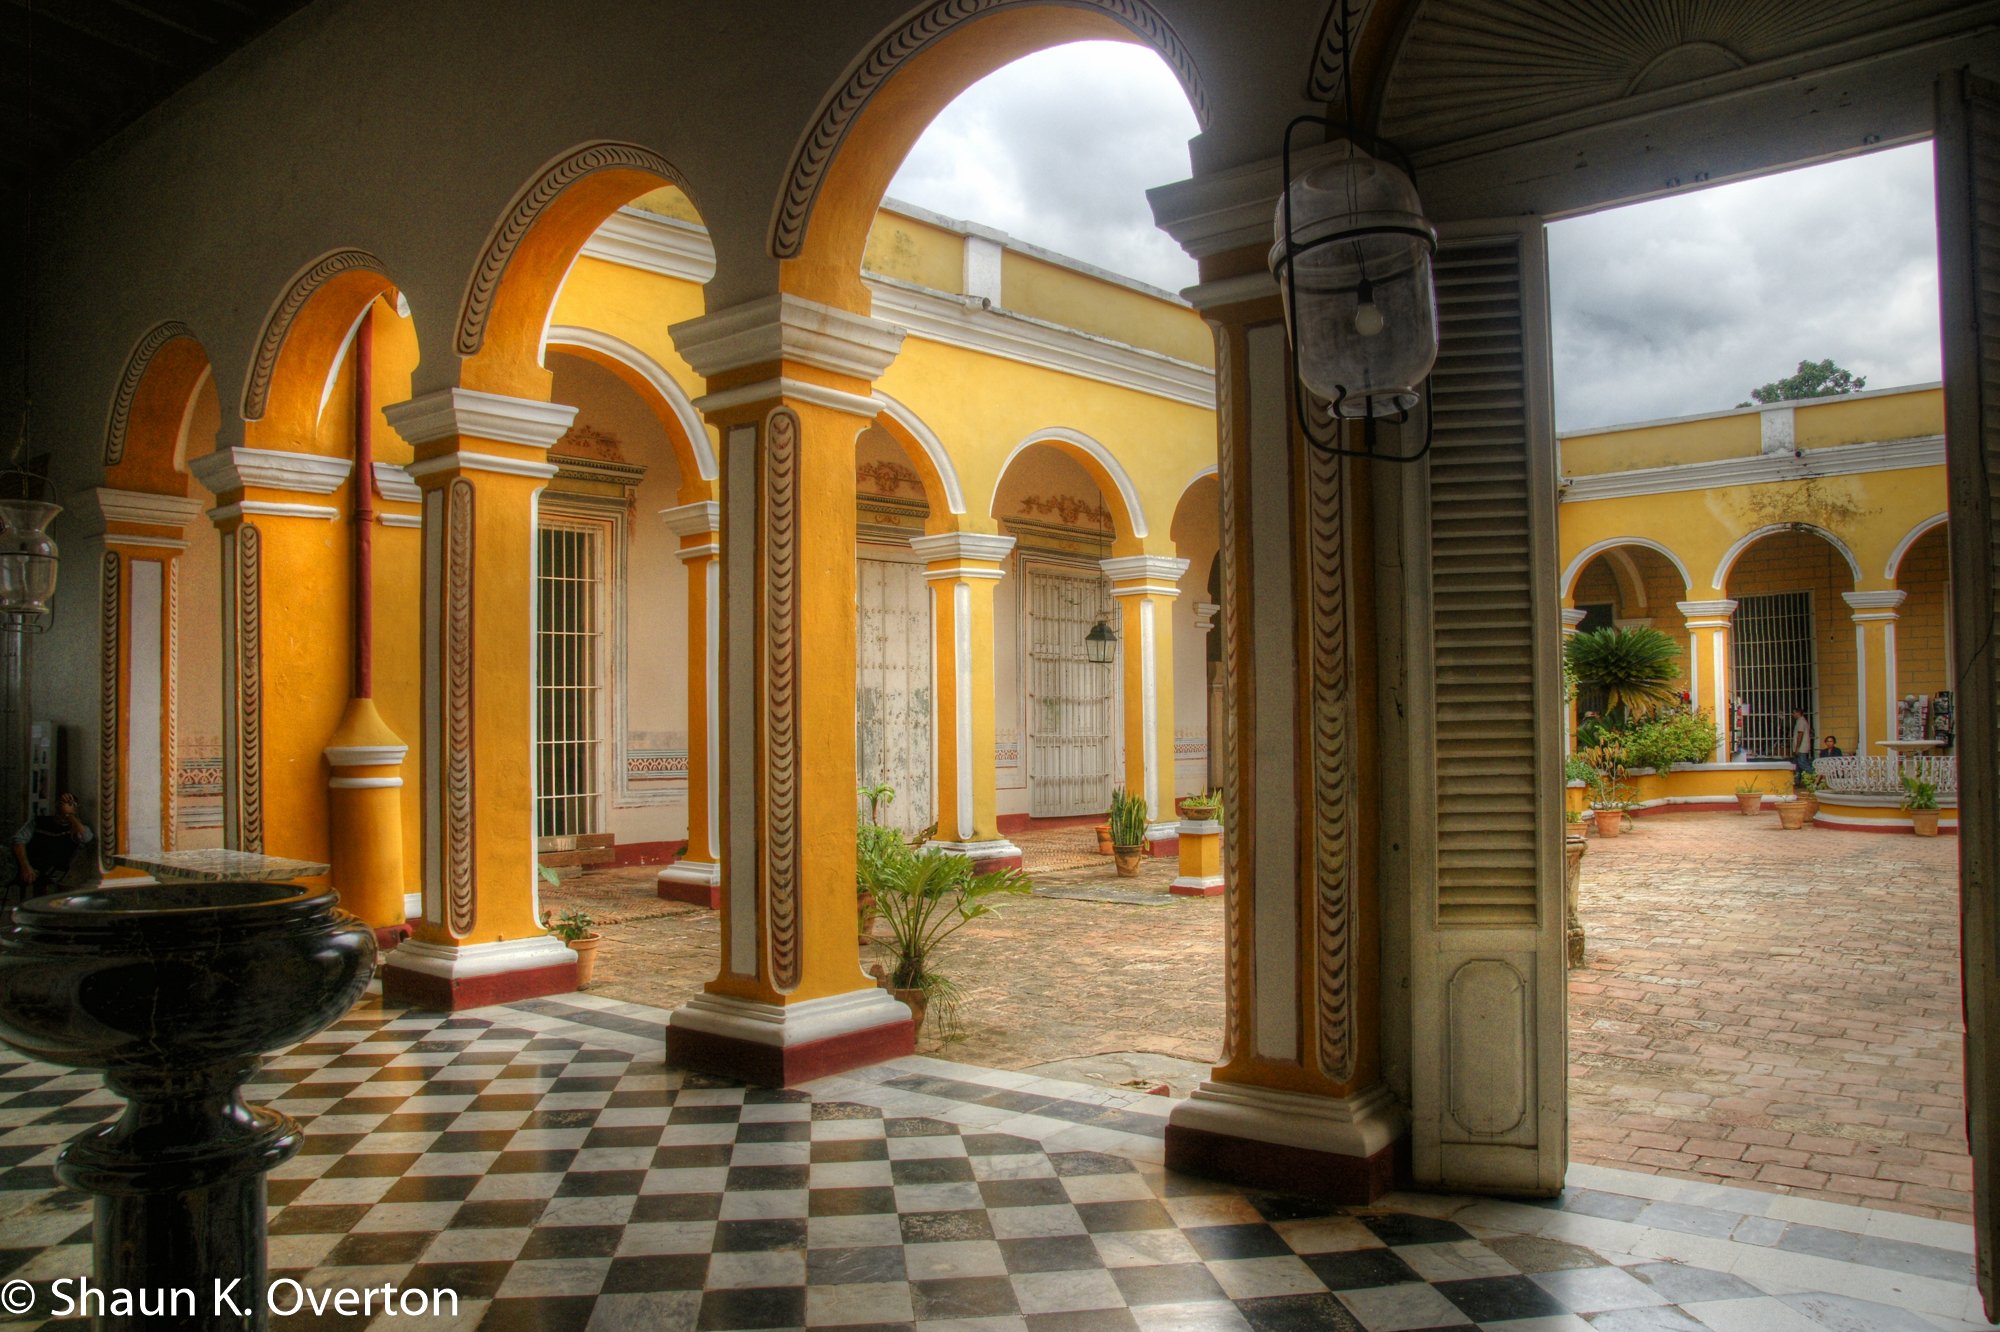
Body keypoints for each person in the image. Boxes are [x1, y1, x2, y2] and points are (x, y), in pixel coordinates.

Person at [9, 792, 93, 904]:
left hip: (54, 873)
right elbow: (18, 840)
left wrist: (69, 815)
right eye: (62, 803)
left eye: (70, 804)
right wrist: (26, 867)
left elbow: (86, 837)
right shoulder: (39, 821)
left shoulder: (76, 828)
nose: (64, 806)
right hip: (30, 867)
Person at [1790, 708, 1814, 779]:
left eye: (1794, 713)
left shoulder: (1801, 721)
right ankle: (1797, 781)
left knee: (1802, 764)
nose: (1793, 715)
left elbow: (1800, 735)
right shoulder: (1799, 721)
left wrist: (1797, 748)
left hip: (1801, 748)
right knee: (1797, 766)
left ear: (1798, 713)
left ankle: (1816, 776)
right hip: (1800, 748)